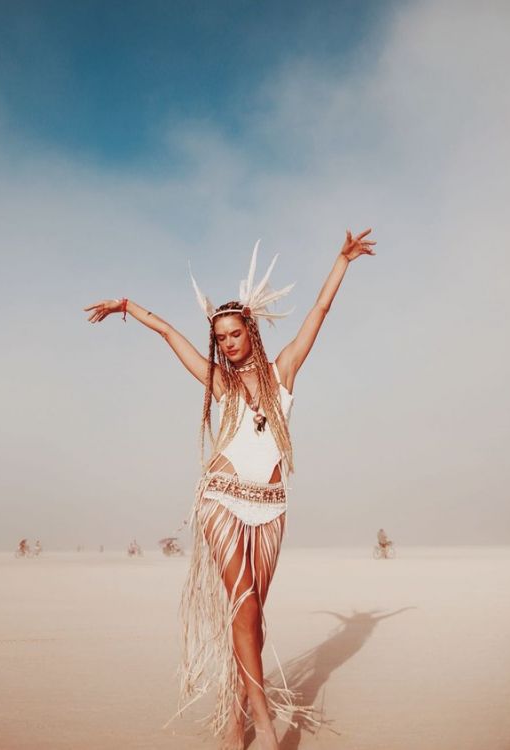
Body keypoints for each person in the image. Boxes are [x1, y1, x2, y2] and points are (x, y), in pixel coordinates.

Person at [84, 229, 375, 749]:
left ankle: (238, 712)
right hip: (222, 498)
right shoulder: (221, 383)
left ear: (251, 331)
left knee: (253, 616)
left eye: (234, 334)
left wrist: (342, 260)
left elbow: (319, 311)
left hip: (271, 507)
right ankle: (264, 724)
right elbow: (170, 334)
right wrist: (128, 306)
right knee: (242, 605)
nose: (227, 344)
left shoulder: (283, 373)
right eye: (219, 338)